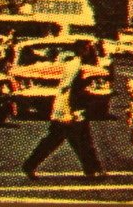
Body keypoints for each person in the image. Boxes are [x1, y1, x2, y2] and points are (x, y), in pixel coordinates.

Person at [21, 40, 103, 180]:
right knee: (80, 139)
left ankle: (92, 169)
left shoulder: (75, 64)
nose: (89, 50)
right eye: (87, 47)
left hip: (66, 107)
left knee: (65, 139)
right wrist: (69, 110)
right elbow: (68, 88)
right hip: (67, 108)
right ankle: (92, 169)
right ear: (81, 49)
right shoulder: (75, 65)